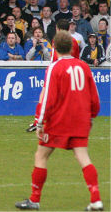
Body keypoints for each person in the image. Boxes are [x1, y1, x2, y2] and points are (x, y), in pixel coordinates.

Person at [15, 32, 102, 211]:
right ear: (72, 47)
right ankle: (96, 200)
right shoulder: (84, 66)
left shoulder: (55, 67)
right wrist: (91, 116)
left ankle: (34, 199)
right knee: (83, 157)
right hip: (80, 120)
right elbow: (95, 97)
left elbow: (47, 98)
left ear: (54, 47)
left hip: (59, 121)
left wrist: (39, 122)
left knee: (41, 155)